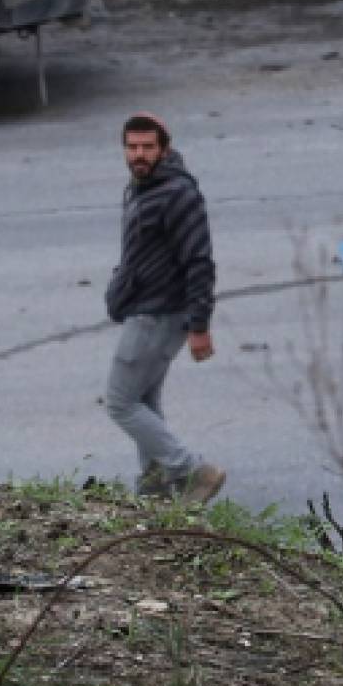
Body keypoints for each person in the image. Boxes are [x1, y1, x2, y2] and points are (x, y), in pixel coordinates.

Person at [104, 113, 227, 503]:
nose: (139, 154)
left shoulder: (177, 194)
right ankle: (155, 482)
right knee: (144, 399)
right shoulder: (143, 187)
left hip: (157, 314)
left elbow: (199, 262)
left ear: (164, 149)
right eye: (132, 147)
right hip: (144, 307)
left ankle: (192, 471)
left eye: (147, 147)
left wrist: (200, 326)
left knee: (120, 402)